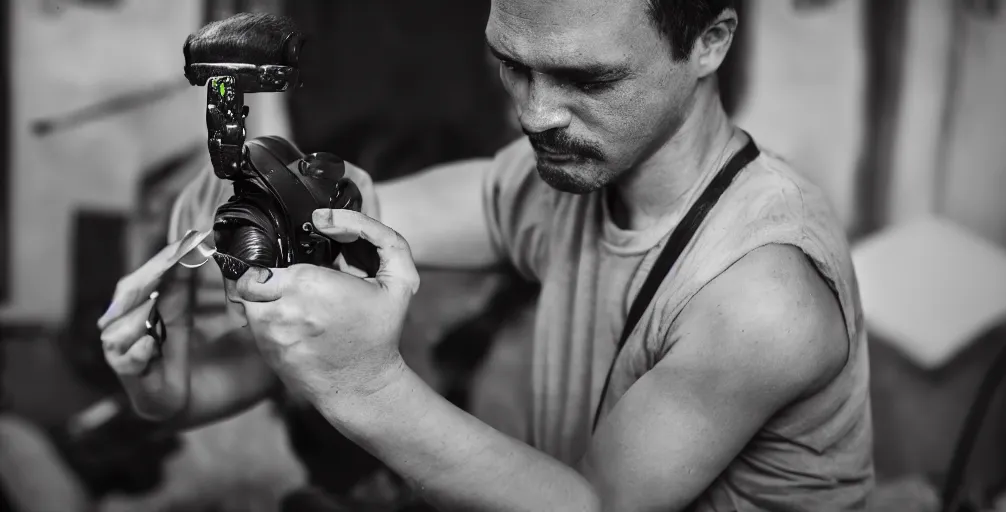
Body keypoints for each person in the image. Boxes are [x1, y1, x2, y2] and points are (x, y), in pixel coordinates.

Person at [98, 0, 875, 510]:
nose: (536, 114)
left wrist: (366, 385)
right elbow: (359, 221)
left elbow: (595, 507)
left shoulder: (763, 293)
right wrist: (263, 208)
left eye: (586, 78)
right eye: (512, 63)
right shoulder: (562, 177)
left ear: (711, 42)